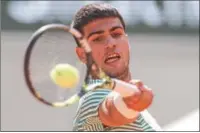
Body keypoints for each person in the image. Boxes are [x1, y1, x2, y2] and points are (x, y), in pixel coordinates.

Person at [71, 3, 162, 131]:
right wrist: (129, 102)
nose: (111, 44)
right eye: (98, 39)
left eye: (116, 34)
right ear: (82, 54)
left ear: (127, 41)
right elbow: (111, 110)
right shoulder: (91, 99)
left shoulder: (146, 116)